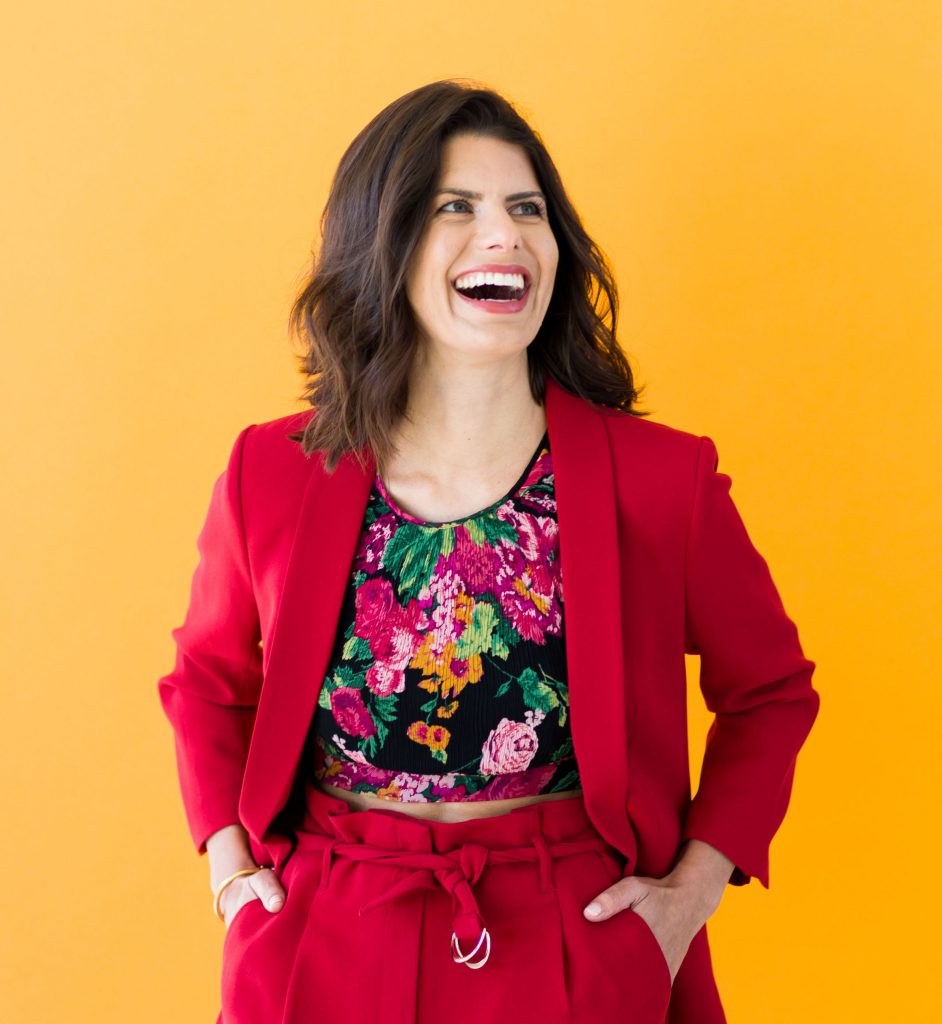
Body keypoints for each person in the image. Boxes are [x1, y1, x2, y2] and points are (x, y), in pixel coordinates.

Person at [158, 79, 820, 1024]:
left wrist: (690, 896)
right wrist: (230, 875)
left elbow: (770, 694)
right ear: (381, 246)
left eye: (527, 210)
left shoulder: (663, 478)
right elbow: (209, 683)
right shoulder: (270, 469)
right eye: (454, 209)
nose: (503, 236)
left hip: (570, 938)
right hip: (321, 937)